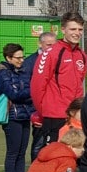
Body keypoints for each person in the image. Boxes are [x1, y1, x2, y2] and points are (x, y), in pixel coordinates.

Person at [30, 12, 87, 149]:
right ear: (63, 30)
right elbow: (37, 86)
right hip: (54, 116)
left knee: (75, 157)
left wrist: (79, 112)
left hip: (75, 117)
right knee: (53, 156)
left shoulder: (82, 56)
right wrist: (43, 112)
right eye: (73, 29)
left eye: (80, 29)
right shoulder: (50, 53)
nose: (77, 33)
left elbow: (79, 86)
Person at [0, 43, 35, 172]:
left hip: (24, 115)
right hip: (12, 117)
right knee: (13, 153)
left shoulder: (20, 72)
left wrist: (27, 91)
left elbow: (21, 93)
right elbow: (14, 94)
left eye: (22, 57)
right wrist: (32, 89)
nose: (21, 60)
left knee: (21, 153)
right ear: (8, 58)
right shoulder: (2, 74)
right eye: (18, 58)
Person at [24, 31, 57, 162]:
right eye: (48, 44)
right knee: (39, 143)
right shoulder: (30, 63)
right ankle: (35, 171)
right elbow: (29, 88)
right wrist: (36, 111)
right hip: (39, 111)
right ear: (40, 44)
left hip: (55, 111)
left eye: (53, 45)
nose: (51, 48)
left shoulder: (57, 60)